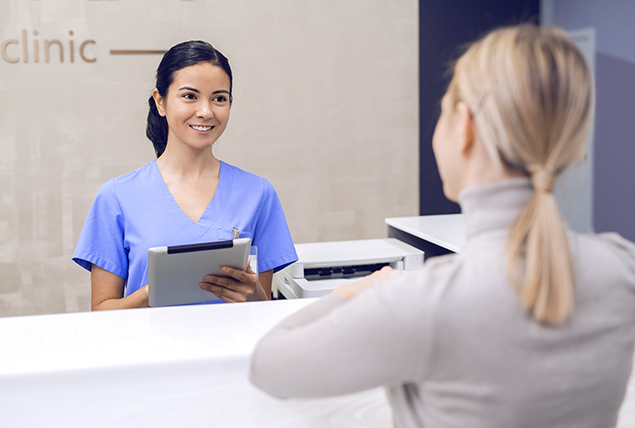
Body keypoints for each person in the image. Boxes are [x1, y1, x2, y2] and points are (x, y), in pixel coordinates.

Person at [249, 24, 635, 427]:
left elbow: (268, 365)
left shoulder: (422, 301)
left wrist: (356, 291)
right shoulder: (622, 268)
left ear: (464, 127)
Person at [73, 40, 297, 310]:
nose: (205, 111)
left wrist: (254, 295)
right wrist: (154, 291)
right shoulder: (117, 197)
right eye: (190, 96)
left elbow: (265, 308)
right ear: (161, 102)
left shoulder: (258, 194)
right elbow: (101, 313)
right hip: (150, 351)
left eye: (219, 98)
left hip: (232, 351)